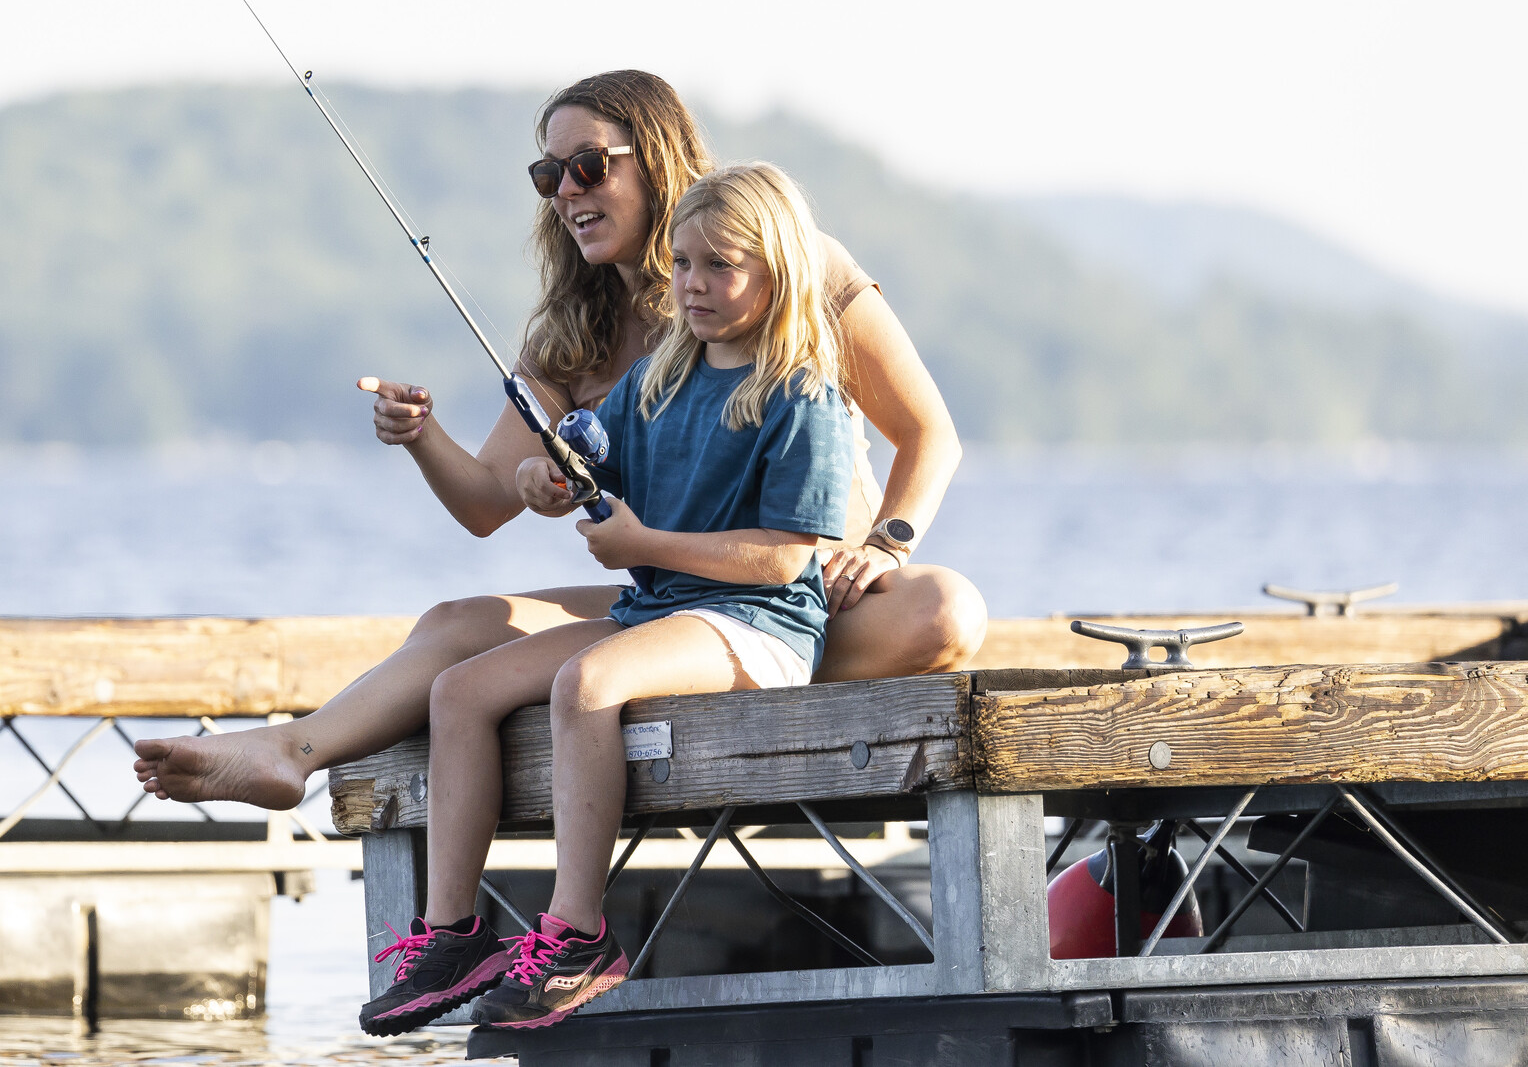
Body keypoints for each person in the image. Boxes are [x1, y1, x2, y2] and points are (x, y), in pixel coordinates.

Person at [131, 70, 985, 812]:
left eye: (588, 167)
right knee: (458, 622)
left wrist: (887, 540)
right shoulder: (572, 334)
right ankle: (293, 751)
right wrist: (423, 436)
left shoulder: (792, 261)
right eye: (549, 174)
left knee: (947, 608)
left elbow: (926, 433)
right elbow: (485, 501)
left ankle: (705, 679)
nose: (568, 191)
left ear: (657, 162)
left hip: (804, 603)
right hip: (664, 605)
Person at [363, 163, 858, 1033]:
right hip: (660, 614)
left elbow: (786, 560)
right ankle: (452, 934)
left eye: (720, 266)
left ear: (776, 273)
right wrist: (543, 479)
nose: (693, 285)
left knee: (586, 683)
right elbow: (576, 454)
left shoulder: (803, 395)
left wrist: (643, 546)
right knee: (460, 688)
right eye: (683, 263)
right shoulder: (660, 376)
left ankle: (577, 933)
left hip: (757, 626)